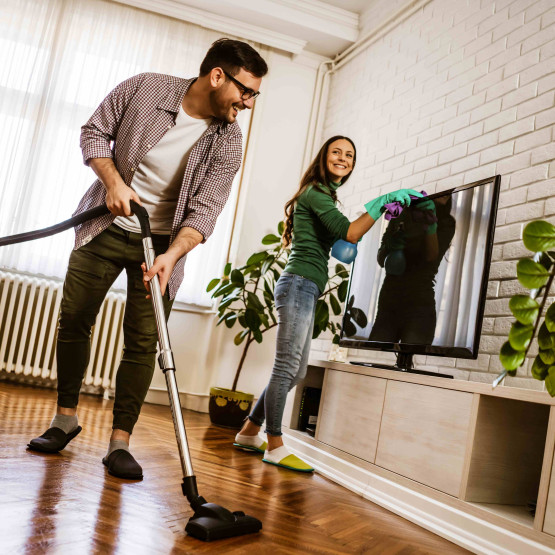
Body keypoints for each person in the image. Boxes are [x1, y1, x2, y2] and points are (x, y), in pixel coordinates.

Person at [28, 38, 268, 480]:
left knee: (143, 342)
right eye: (246, 91)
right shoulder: (145, 89)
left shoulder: (228, 141)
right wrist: (115, 183)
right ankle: (65, 419)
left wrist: (172, 257)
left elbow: (206, 209)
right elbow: (94, 131)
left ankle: (119, 443)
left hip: (160, 247)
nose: (249, 103)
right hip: (103, 226)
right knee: (74, 318)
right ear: (218, 76)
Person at [233, 135, 422, 472]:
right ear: (324, 157)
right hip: (299, 285)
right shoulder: (316, 193)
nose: (343, 158)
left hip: (305, 287)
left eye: (350, 154)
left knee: (296, 371)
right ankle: (274, 443)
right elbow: (350, 233)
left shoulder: (324, 197)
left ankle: (249, 432)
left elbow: (339, 236)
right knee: (286, 368)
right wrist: (381, 202)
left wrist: (377, 211)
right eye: (337, 151)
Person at [369, 195, 456, 344]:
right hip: (389, 301)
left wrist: (430, 227)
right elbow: (381, 259)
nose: (447, 193)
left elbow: (431, 257)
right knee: (375, 355)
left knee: (411, 356)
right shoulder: (402, 213)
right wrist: (390, 245)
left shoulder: (446, 223)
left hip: (419, 304)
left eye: (450, 192)